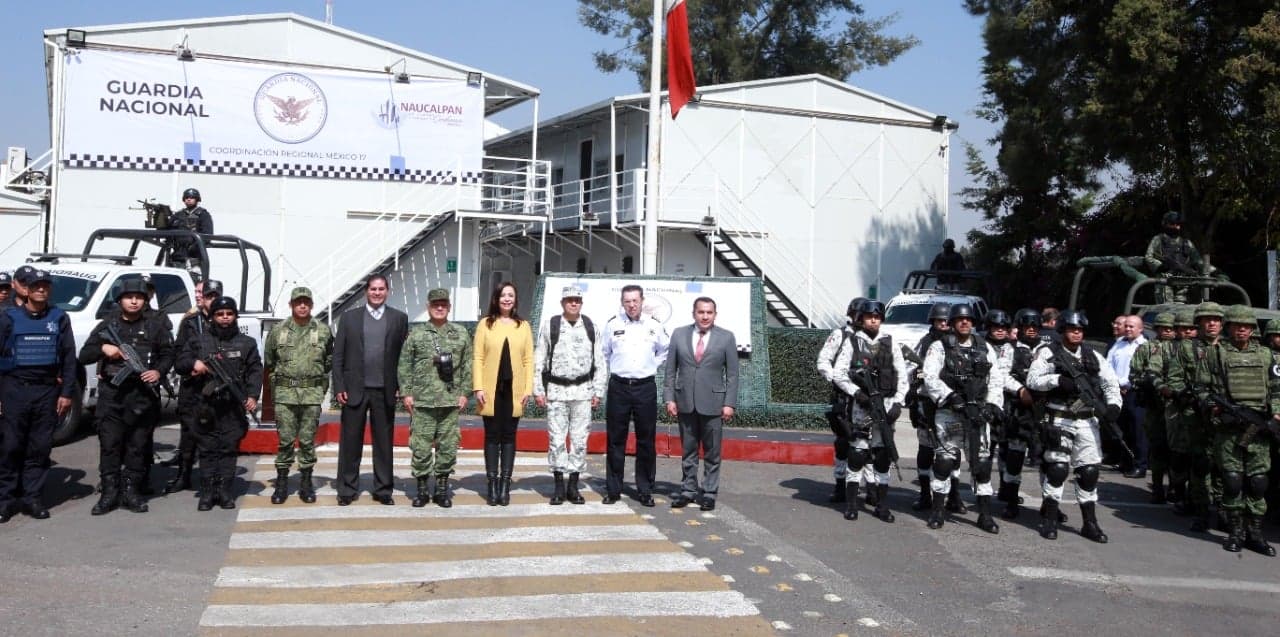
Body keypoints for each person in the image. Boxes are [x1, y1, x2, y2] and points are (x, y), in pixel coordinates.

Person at [78, 279, 173, 515]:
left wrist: (158, 371)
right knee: (110, 445)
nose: (133, 301)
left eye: (139, 297)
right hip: (112, 395)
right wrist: (103, 349)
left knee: (137, 446)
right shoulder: (108, 325)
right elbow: (84, 355)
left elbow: (168, 353)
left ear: (145, 300)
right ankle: (109, 493)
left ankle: (132, 492)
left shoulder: (155, 325)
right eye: (129, 297)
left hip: (142, 395)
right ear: (120, 300)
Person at [1026, 310, 1122, 542]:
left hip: (1087, 419)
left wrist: (1114, 406)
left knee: (1089, 472)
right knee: (1058, 469)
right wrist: (1057, 380)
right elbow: (1032, 381)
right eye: (1071, 329)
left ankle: (1090, 523)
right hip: (1059, 418)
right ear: (1062, 331)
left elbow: (1110, 383)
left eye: (1079, 330)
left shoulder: (1093, 355)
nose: (1076, 333)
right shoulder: (1048, 353)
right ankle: (1049, 519)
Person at [1199, 305, 1277, 555]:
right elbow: (1201, 389)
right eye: (1236, 325)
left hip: (1260, 428)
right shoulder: (1215, 353)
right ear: (1229, 327)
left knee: (1258, 482)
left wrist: (1276, 414)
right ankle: (1236, 532)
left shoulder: (1267, 356)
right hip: (1229, 429)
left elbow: (1277, 388)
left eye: (1246, 326)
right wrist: (1214, 408)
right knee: (1233, 481)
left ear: (1253, 329)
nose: (1241, 329)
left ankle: (1255, 533)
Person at [0, 269, 76, 522]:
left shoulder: (59, 317)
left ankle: (33, 498)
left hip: (46, 390)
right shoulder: (8, 317)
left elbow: (68, 357)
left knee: (40, 446)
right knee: (10, 446)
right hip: (14, 388)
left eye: (45, 286)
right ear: (25, 289)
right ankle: (6, 500)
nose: (41, 290)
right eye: (36, 286)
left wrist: (66, 393)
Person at [922, 303, 1004, 533]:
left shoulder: (984, 347)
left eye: (968, 319)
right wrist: (950, 397)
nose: (965, 322)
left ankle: (985, 515)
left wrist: (992, 404)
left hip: (977, 415)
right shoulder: (940, 347)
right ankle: (938, 511)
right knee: (944, 462)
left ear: (974, 323)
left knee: (982, 465)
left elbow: (996, 379)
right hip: (950, 413)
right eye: (960, 319)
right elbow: (930, 376)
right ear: (952, 323)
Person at [175, 297, 261, 510]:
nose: (224, 318)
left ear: (235, 316)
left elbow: (254, 370)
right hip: (205, 406)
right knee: (207, 449)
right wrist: (194, 363)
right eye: (220, 314)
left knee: (228, 449)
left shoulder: (246, 343)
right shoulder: (199, 341)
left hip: (232, 407)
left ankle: (224, 492)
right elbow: (180, 361)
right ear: (212, 316)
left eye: (229, 314)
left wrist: (252, 396)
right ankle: (207, 492)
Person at [332, 276, 409, 506]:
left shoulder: (399, 318)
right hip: (354, 389)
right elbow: (338, 356)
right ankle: (347, 489)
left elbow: (403, 358)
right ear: (366, 291)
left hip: (385, 390)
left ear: (388, 291)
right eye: (373, 289)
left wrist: (401, 387)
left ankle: (383, 489)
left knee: (384, 443)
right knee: (350, 442)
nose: (377, 293)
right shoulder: (349, 318)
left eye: (381, 289)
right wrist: (339, 386)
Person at [830, 299, 906, 522]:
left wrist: (898, 403)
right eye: (869, 316)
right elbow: (839, 374)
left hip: (885, 407)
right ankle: (852, 505)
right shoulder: (852, 342)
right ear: (861, 318)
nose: (873, 320)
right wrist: (857, 394)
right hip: (861, 408)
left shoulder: (891, 343)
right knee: (857, 454)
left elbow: (902, 376)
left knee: (882, 457)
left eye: (877, 317)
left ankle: (882, 506)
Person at [663, 297, 739, 512]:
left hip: (714, 404)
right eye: (701, 312)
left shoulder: (726, 338)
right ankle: (687, 491)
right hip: (685, 402)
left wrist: (729, 403)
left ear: (715, 314)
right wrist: (670, 398)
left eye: (709, 312)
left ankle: (709, 492)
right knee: (688, 451)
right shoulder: (679, 334)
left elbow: (732, 374)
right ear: (693, 313)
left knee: (712, 452)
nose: (705, 316)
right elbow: (670, 370)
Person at [533, 286, 606, 506]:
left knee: (579, 440)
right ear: (562, 303)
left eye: (577, 300)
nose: (573, 304)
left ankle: (573, 486)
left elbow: (600, 362)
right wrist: (538, 390)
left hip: (583, 391)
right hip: (556, 391)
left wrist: (598, 391)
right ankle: (558, 487)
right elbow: (539, 359)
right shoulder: (551, 326)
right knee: (556, 440)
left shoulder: (591, 327)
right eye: (569, 300)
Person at [398, 288, 471, 508]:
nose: (439, 308)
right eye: (435, 304)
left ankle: (441, 489)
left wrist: (464, 393)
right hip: (422, 402)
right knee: (420, 448)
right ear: (428, 307)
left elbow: (468, 365)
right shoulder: (417, 334)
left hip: (449, 401)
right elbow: (404, 365)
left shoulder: (460, 333)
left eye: (443, 304)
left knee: (447, 447)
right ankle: (421, 490)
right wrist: (407, 393)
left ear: (449, 307)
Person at [601, 284, 670, 507]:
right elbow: (604, 353)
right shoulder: (613, 325)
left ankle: (645, 490)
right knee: (615, 440)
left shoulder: (654, 326)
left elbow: (665, 350)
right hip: (619, 386)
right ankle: (613, 489)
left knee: (646, 441)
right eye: (627, 301)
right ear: (622, 303)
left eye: (635, 301)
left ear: (642, 301)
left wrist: (651, 364)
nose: (632, 305)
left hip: (645, 388)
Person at [264, 286, 333, 505]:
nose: (302, 306)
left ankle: (305, 483)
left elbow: (329, 360)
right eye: (298, 302)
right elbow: (270, 361)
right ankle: (282, 483)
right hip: (285, 395)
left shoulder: (323, 330)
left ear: (311, 305)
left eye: (306, 302)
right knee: (285, 441)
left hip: (311, 395)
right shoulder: (279, 331)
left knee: (307, 441)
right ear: (291, 305)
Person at [1166, 302, 1227, 532]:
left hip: (1224, 415)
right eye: (1207, 319)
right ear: (1199, 323)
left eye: (1216, 319)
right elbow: (1175, 378)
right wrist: (1188, 397)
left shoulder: (1229, 347)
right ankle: (1201, 510)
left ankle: (1222, 511)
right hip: (1195, 414)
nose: (1211, 323)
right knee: (1200, 465)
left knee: (1223, 465)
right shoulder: (1187, 348)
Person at [472, 281, 534, 507]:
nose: (507, 299)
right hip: (490, 390)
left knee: (509, 437)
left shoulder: (523, 326)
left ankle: (505, 485)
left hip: (514, 391)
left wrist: (528, 389)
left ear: (515, 300)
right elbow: (478, 357)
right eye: (503, 295)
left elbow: (529, 360)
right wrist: (478, 386)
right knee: (491, 436)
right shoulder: (485, 324)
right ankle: (492, 484)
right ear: (496, 299)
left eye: (511, 295)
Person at [164, 279, 222, 494]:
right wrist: (191, 365)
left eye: (213, 296)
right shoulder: (191, 321)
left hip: (216, 386)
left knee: (214, 434)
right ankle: (183, 475)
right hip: (192, 385)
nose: (208, 300)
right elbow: (178, 352)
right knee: (188, 434)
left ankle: (214, 479)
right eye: (206, 296)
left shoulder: (226, 319)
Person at [816, 297, 865, 503]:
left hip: (866, 399)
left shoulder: (874, 338)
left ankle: (870, 488)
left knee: (868, 444)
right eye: (860, 315)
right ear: (852, 315)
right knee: (844, 442)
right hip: (843, 397)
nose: (864, 319)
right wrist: (836, 378)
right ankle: (840, 484)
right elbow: (823, 360)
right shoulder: (840, 335)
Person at [1129, 312, 1176, 503]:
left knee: (1176, 450)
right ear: (1156, 329)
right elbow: (1134, 375)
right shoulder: (1146, 349)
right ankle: (1157, 488)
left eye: (1170, 328)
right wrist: (1148, 383)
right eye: (1163, 328)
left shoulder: (1180, 349)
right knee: (1157, 448)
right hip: (1154, 406)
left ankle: (1174, 488)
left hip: (1175, 407)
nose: (1167, 332)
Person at [910, 302, 951, 512]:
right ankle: (925, 493)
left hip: (950, 403)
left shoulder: (957, 343)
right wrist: (926, 375)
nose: (943, 324)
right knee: (926, 449)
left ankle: (953, 497)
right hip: (926, 402)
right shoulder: (924, 343)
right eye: (939, 320)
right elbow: (913, 370)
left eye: (946, 320)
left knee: (951, 450)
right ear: (933, 322)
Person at [1157, 307, 1197, 512]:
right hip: (1175, 406)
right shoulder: (1166, 349)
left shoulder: (1205, 348)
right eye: (1184, 328)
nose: (1189, 332)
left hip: (1199, 408)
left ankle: (1195, 496)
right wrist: (1169, 391)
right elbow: (1153, 374)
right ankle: (1177, 490)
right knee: (1178, 451)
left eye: (1192, 328)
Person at [1108, 315, 1148, 478]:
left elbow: (1142, 371)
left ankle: (1140, 464)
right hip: (1117, 391)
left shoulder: (1145, 346)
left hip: (1134, 392)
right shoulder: (1119, 344)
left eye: (1132, 326)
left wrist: (1125, 384)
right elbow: (1108, 364)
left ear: (1140, 329)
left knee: (1138, 430)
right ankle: (1125, 461)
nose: (1128, 329)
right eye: (1127, 326)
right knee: (1122, 429)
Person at [1144, 211, 1204, 303]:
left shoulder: (1186, 243)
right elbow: (1148, 257)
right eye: (1172, 223)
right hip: (1165, 281)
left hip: (1183, 283)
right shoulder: (1158, 239)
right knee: (1165, 310)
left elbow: (1198, 261)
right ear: (1165, 224)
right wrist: (1162, 267)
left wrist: (1213, 272)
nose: (1176, 226)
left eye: (1178, 224)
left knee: (1181, 311)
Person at [168, 187, 215, 278]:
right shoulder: (178, 215)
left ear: (197, 199)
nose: (189, 199)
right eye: (186, 197)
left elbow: (207, 235)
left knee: (194, 280)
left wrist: (194, 247)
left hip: (194, 257)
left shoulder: (203, 215)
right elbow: (166, 230)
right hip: (178, 255)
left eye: (192, 197)